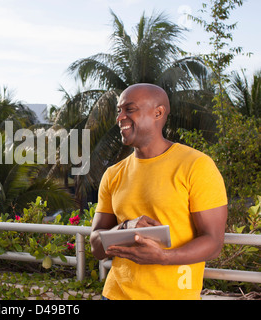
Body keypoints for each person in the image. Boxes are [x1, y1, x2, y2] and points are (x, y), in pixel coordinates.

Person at [90, 83, 228, 300]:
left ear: (158, 113)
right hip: (115, 295)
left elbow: (213, 243)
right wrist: (127, 226)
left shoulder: (196, 165)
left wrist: (163, 257)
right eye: (119, 111)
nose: (119, 118)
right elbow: (96, 246)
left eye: (130, 109)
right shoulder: (112, 174)